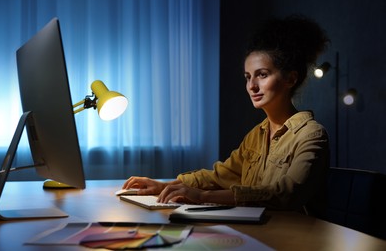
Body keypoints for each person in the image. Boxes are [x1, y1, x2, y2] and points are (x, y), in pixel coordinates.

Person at [123, 15, 330, 216]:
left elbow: (286, 194)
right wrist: (164, 186)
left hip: (294, 236)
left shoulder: (311, 135)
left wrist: (202, 196)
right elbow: (219, 176)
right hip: (257, 231)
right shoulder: (256, 135)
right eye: (248, 77)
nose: (252, 86)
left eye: (262, 75)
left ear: (291, 79)